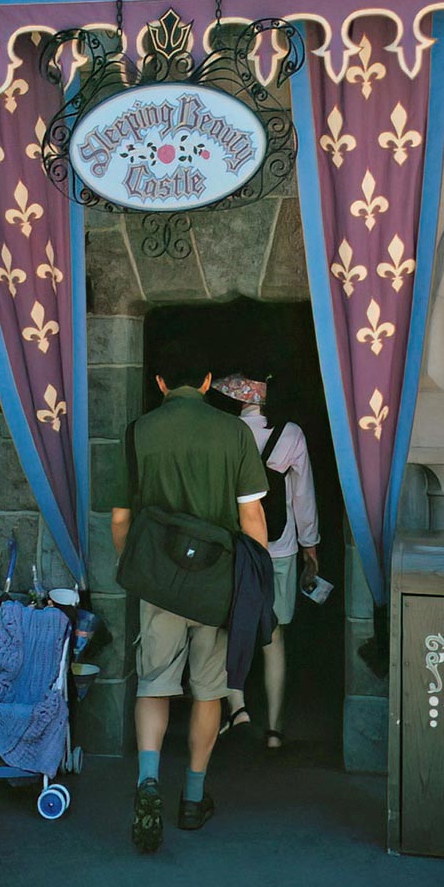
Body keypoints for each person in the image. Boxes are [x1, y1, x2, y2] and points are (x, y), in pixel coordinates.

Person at [111, 347, 268, 854]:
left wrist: (140, 571)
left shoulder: (139, 433)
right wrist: (258, 585)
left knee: (154, 683)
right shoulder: (234, 434)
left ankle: (149, 783)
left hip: (160, 584)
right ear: (206, 381)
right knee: (208, 692)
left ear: (159, 382)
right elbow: (253, 520)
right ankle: (193, 799)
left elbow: (120, 520)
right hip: (218, 586)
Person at [212, 374, 319, 749]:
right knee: (274, 636)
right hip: (280, 546)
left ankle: (237, 709)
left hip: (235, 546)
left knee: (227, 630)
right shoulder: (290, 434)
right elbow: (303, 495)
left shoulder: (222, 430)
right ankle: (274, 729)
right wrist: (310, 545)